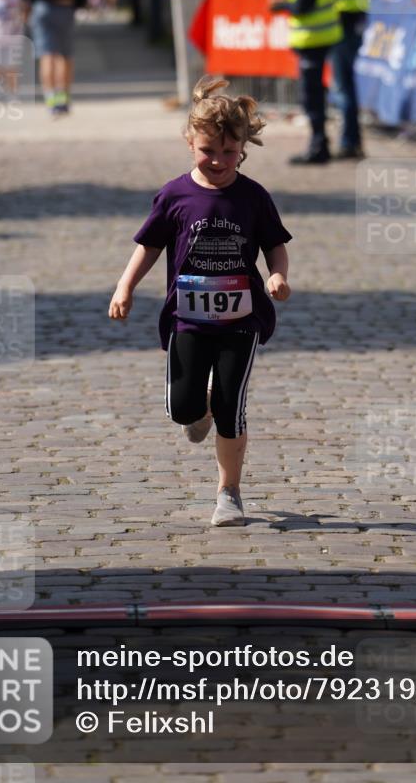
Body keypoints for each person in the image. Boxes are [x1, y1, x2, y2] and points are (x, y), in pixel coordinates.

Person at [108, 76, 292, 527]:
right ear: (189, 141)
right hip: (187, 319)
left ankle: (229, 492)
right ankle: (202, 404)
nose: (218, 160)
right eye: (208, 150)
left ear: (244, 148)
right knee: (182, 410)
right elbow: (149, 246)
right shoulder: (175, 195)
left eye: (229, 153)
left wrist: (279, 275)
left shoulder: (253, 197)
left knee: (233, 406)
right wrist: (125, 286)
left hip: (241, 318)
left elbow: (275, 244)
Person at [269, 0, 343, 164]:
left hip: (312, 38)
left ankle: (318, 146)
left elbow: (303, 5)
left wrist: (280, 5)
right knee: (316, 95)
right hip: (322, 35)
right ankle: (320, 143)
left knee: (312, 97)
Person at [309, 0, 369, 158]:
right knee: (347, 82)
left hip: (341, 13)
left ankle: (349, 142)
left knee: (342, 84)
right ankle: (352, 140)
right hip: (356, 11)